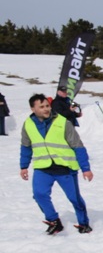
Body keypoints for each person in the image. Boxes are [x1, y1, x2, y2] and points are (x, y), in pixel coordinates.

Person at [19, 93, 94, 234]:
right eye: (41, 107)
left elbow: (78, 146)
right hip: (43, 168)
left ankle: (84, 224)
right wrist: (24, 166)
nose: (46, 109)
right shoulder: (28, 124)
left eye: (47, 106)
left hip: (65, 169)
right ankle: (54, 221)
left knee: (74, 199)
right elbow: (26, 146)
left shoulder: (63, 122)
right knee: (39, 195)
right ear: (33, 109)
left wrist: (86, 168)